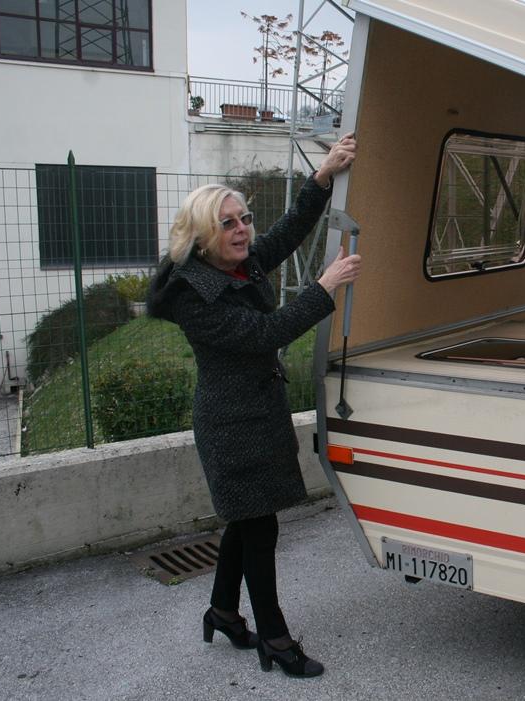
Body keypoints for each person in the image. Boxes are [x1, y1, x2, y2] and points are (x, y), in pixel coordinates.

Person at [146, 134, 360, 680]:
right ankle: (275, 639)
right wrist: (324, 287)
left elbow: (287, 232)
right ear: (201, 237)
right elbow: (265, 332)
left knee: (246, 522)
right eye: (229, 223)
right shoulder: (195, 295)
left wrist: (321, 179)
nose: (243, 230)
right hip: (230, 424)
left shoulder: (238, 265)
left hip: (257, 414)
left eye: (244, 218)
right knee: (260, 529)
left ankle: (221, 612)